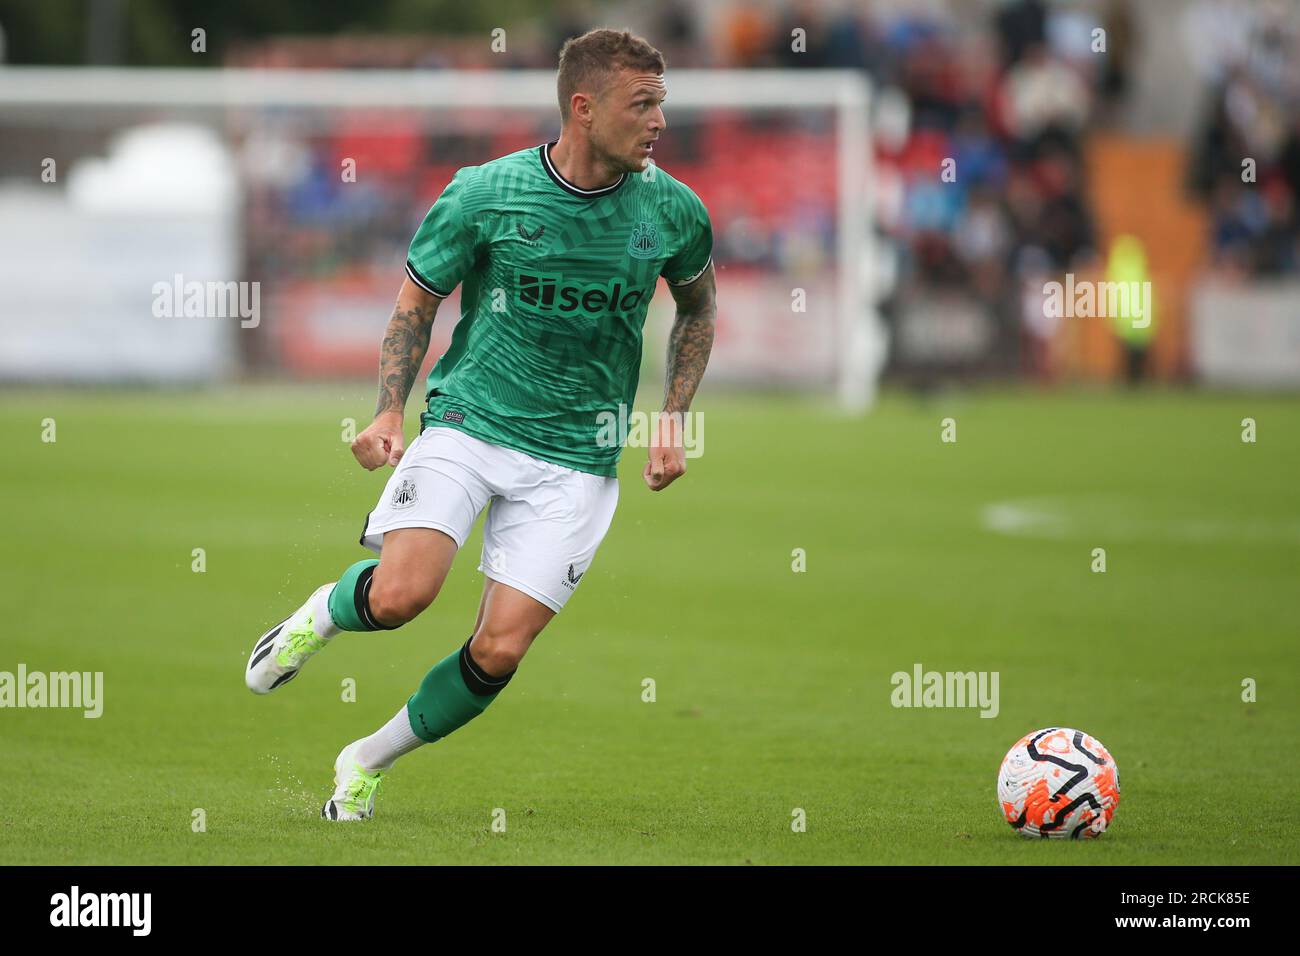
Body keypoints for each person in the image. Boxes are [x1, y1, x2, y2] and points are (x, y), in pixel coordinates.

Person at [244, 28, 717, 821]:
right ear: (583, 106)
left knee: (499, 649)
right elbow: (415, 303)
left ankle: (366, 760)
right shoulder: (484, 193)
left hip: (578, 458)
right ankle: (320, 616)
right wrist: (391, 410)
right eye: (642, 104)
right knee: (401, 597)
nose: (658, 121)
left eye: (661, 104)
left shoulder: (673, 210)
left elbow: (698, 309)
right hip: (472, 422)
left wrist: (671, 420)